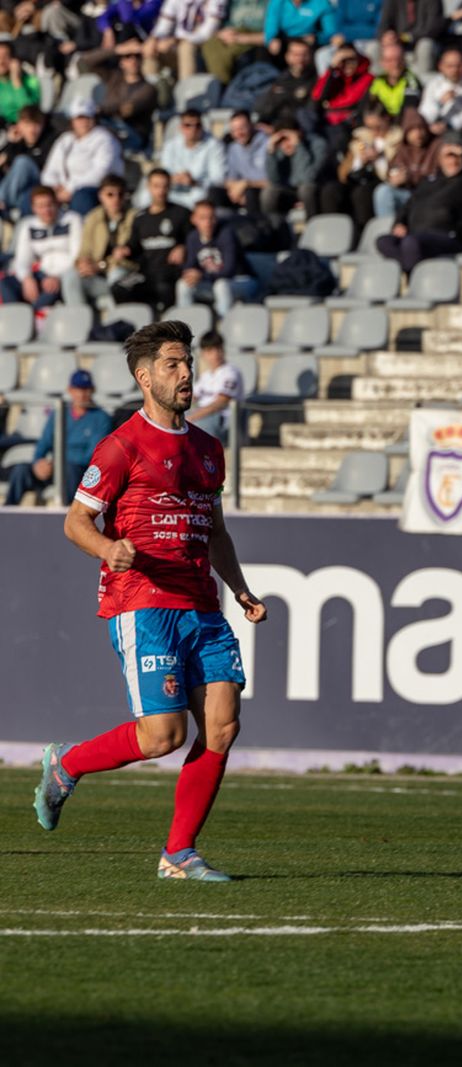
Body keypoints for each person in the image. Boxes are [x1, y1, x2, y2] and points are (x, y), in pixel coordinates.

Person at [37, 319, 269, 883]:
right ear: (145, 377)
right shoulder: (120, 447)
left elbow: (215, 531)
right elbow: (76, 521)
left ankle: (179, 854)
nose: (186, 372)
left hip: (203, 605)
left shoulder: (210, 450)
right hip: (144, 602)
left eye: (188, 362)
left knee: (222, 726)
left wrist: (238, 589)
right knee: (164, 737)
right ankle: (66, 763)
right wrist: (107, 548)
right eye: (172, 364)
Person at [375, 134, 462, 273]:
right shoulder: (428, 181)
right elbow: (408, 205)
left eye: (456, 156)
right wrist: (400, 223)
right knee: (383, 241)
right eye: (448, 156)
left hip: (448, 236)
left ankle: (413, 279)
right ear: (440, 159)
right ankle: (412, 270)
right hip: (418, 235)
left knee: (411, 243)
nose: (453, 160)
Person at [5, 371, 113, 507]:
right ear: (70, 390)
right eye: (78, 389)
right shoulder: (60, 413)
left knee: (69, 470)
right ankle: (6, 515)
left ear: (92, 390)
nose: (82, 394)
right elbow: (44, 443)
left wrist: (56, 463)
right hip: (54, 469)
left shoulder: (102, 418)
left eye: (86, 389)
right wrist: (38, 462)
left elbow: (91, 456)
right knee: (21, 470)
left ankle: (67, 517)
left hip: (79, 472)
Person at [116, 168, 190, 311]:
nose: (161, 191)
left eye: (165, 186)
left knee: (163, 287)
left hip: (170, 273)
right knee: (119, 288)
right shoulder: (140, 218)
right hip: (147, 272)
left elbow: (193, 240)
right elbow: (134, 245)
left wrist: (183, 247)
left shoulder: (181, 213)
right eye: (156, 186)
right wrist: (125, 249)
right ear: (148, 187)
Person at [324, 99, 402, 228]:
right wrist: (361, 160)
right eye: (369, 127)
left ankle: (363, 232)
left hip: (380, 181)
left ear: (387, 119)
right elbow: (343, 172)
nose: (374, 131)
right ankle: (332, 231)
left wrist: (379, 159)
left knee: (362, 193)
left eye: (378, 127)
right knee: (331, 190)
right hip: (356, 179)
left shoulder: (397, 140)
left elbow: (392, 173)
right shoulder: (360, 138)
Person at [41, 100, 124, 217]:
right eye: (79, 118)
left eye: (86, 118)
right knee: (36, 196)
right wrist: (53, 186)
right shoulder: (65, 140)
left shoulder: (104, 139)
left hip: (94, 188)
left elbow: (100, 172)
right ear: (72, 121)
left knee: (81, 197)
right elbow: (50, 169)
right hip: (63, 189)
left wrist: (70, 188)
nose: (83, 122)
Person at [4, 185, 81, 310]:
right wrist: (27, 279)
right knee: (6, 283)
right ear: (33, 208)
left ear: (57, 203)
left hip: (64, 276)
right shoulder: (28, 226)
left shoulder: (72, 220)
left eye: (49, 204)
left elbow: (77, 255)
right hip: (42, 274)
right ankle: (14, 319)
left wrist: (57, 276)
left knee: (50, 291)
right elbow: (22, 259)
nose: (46, 210)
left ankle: (28, 319)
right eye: (41, 206)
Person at [177, 200, 260, 315]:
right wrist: (189, 273)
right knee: (183, 285)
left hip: (242, 280)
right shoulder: (193, 237)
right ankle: (184, 326)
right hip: (212, 281)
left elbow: (228, 271)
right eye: (202, 218)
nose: (208, 222)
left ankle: (223, 326)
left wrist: (201, 276)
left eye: (211, 217)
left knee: (221, 285)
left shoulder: (226, 234)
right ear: (193, 219)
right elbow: (191, 264)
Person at [67, 175, 136, 312]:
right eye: (110, 194)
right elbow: (84, 249)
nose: (115, 199)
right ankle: (80, 322)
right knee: (70, 276)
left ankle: (119, 325)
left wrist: (100, 266)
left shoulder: (134, 217)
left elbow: (125, 257)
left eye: (120, 194)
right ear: (101, 196)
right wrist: (83, 263)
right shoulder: (93, 217)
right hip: (99, 276)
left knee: (116, 274)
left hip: (124, 276)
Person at [158, 109, 227, 212]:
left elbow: (218, 179)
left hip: (199, 192)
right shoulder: (170, 145)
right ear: (181, 127)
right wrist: (174, 178)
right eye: (188, 125)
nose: (193, 129)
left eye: (197, 125)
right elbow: (164, 172)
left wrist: (194, 182)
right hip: (173, 190)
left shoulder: (214, 145)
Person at [262, 119, 327, 223]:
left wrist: (299, 146)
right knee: (269, 193)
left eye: (288, 139)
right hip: (289, 191)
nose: (286, 144)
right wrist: (271, 152)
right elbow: (273, 180)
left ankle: (314, 227)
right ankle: (271, 230)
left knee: (306, 190)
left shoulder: (317, 144)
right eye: (281, 140)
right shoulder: (278, 149)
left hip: (314, 190)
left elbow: (308, 177)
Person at [379, 107, 440, 219]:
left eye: (420, 128)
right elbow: (393, 170)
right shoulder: (402, 149)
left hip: (429, 195)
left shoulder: (437, 146)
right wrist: (394, 179)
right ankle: (388, 230)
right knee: (383, 191)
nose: (418, 134)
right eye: (412, 130)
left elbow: (438, 177)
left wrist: (411, 177)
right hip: (408, 193)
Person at [146, 0, 228, 82]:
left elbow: (208, 32)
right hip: (178, 43)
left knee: (186, 47)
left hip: (203, 45)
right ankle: (153, 87)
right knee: (151, 48)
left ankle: (186, 89)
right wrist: (154, 39)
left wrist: (176, 40)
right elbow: (164, 25)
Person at [0, 106, 56, 222]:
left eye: (36, 125)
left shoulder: (49, 141)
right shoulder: (16, 143)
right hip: (20, 193)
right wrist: (11, 143)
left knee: (23, 162)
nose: (32, 130)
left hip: (38, 184)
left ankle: (2, 200)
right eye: (27, 125)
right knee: (24, 198)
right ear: (19, 125)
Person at [100, 49, 161, 155]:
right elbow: (85, 62)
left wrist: (101, 109)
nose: (133, 60)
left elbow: (127, 110)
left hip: (134, 133)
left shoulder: (148, 88)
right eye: (128, 57)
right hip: (111, 125)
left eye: (137, 56)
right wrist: (117, 49)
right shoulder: (113, 80)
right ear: (121, 62)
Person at [188, 330, 245, 440]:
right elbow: (191, 397)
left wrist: (192, 417)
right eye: (210, 350)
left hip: (222, 419)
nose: (216, 354)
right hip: (204, 416)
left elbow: (221, 403)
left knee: (193, 426)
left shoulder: (231, 372)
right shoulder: (206, 376)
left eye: (218, 349)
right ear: (203, 354)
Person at [418, 46, 462, 137]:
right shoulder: (433, 84)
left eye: (458, 65)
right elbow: (424, 113)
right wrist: (439, 103)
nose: (455, 70)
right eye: (450, 66)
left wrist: (450, 124)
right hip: (435, 129)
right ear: (441, 67)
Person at [200, 0, 271, 84]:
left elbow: (272, 34)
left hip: (253, 36)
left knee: (226, 53)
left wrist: (242, 38)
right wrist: (221, 33)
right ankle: (219, 86)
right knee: (210, 46)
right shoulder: (233, 2)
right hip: (231, 33)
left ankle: (224, 87)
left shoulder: (270, 3)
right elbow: (222, 22)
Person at [253, 37, 319, 127]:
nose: (300, 59)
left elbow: (311, 115)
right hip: (274, 128)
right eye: (296, 54)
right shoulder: (278, 79)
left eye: (304, 54)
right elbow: (260, 108)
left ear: (310, 56)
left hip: (301, 131)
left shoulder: (316, 80)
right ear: (287, 56)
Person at [219, 111, 271, 215]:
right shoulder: (233, 148)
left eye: (242, 128)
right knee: (215, 193)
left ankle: (255, 228)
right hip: (243, 192)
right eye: (234, 130)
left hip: (264, 192)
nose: (239, 133)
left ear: (251, 126)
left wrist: (246, 184)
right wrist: (236, 190)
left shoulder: (268, 144)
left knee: (250, 193)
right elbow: (230, 179)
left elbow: (273, 181)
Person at [378, 0, 445, 73]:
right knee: (374, 47)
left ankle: (422, 80)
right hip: (398, 44)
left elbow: (433, 29)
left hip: (422, 42)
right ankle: (380, 81)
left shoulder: (432, 1)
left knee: (425, 45)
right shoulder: (392, 2)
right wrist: (386, 37)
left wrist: (404, 37)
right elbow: (383, 26)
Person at [367, 37, 422, 118]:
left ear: (404, 60)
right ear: (382, 62)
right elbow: (366, 107)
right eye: (390, 60)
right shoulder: (376, 82)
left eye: (398, 59)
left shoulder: (411, 80)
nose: (395, 64)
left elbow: (409, 109)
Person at [0, 38, 41, 125]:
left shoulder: (31, 81)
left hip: (26, 126)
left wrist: (16, 80)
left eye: (5, 56)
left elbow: (28, 111)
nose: (1, 61)